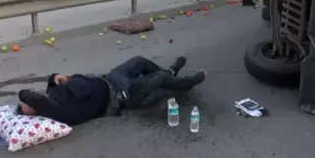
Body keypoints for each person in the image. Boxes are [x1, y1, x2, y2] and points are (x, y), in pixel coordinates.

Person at [16, 56, 206, 126]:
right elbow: (25, 94)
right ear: (35, 110)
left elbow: (43, 89)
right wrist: (25, 106)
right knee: (160, 80)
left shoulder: (50, 94)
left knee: (139, 62)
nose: (29, 101)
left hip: (110, 78)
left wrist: (54, 76)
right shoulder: (57, 112)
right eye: (27, 106)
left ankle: (170, 72)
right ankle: (186, 80)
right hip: (121, 97)